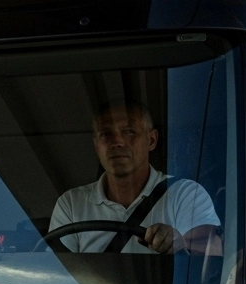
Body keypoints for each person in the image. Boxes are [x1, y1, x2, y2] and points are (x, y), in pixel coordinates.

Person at [49, 101, 220, 254]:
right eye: (106, 134)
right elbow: (56, 275)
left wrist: (181, 245)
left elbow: (212, 258)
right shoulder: (71, 204)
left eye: (129, 131)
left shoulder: (185, 194)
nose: (117, 142)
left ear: (151, 140)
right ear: (96, 146)